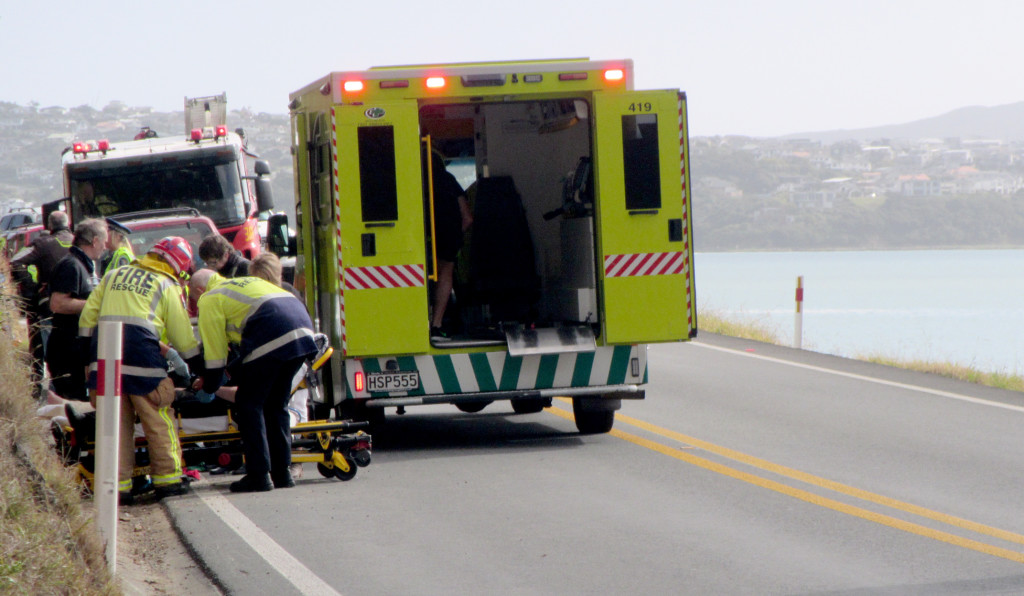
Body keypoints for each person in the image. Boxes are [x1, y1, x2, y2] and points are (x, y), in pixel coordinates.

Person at [79, 236, 203, 504]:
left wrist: (89, 362)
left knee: (114, 425)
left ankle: (118, 489)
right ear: (177, 267)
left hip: (104, 357)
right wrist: (197, 363)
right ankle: (168, 481)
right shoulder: (165, 284)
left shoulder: (113, 275)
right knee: (158, 419)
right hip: (144, 358)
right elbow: (183, 339)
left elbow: (87, 320)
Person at [188, 268, 317, 492]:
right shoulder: (244, 283)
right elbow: (245, 355)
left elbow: (216, 354)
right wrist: (224, 375)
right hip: (302, 332)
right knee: (276, 405)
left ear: (200, 290)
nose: (194, 303)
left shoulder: (210, 298)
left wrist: (209, 385)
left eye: (192, 297)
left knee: (249, 404)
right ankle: (282, 472)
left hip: (272, 332)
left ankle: (259, 475)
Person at [10, 210, 74, 391]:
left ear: (49, 226)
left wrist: (30, 288)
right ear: (67, 224)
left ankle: (39, 387)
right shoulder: (78, 242)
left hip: (47, 303)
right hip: (76, 304)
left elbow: (15, 261)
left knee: (41, 347)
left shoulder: (44, 243)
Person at [47, 218, 107, 401]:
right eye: (103, 242)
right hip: (66, 352)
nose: (105, 247)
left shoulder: (85, 265)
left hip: (78, 351)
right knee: (73, 408)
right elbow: (57, 304)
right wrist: (97, 305)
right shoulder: (71, 265)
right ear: (95, 241)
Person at [425, 150, 472, 337]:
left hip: (420, 235)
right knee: (445, 273)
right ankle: (436, 324)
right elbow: (467, 218)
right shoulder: (448, 179)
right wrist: (455, 236)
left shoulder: (413, 178)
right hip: (447, 235)